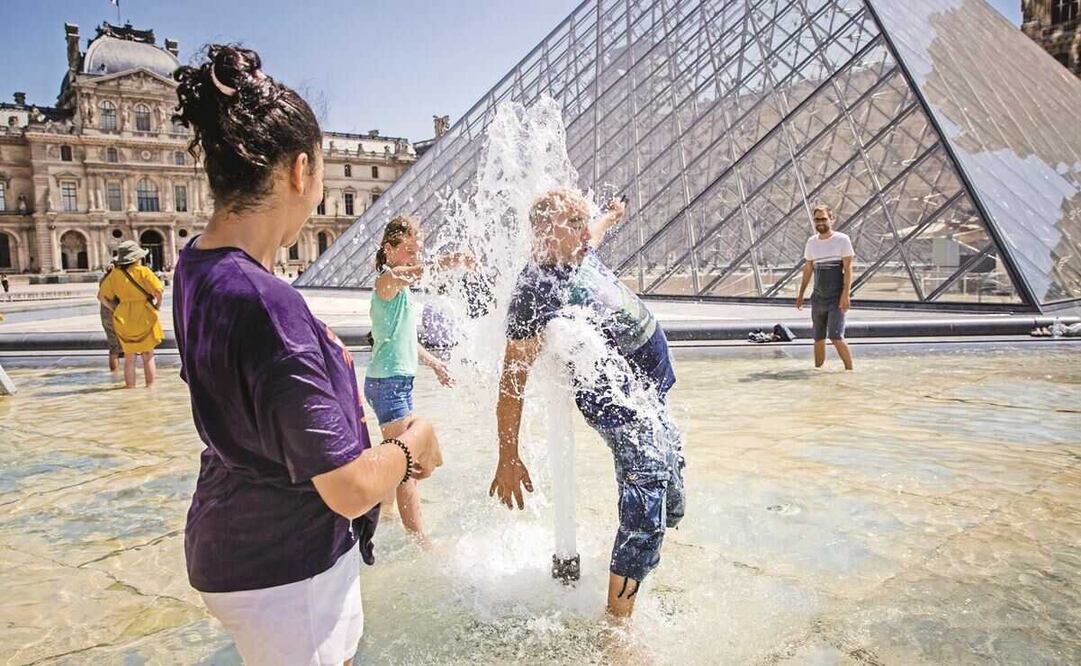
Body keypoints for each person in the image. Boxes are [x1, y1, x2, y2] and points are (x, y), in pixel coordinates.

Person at [171, 45, 442, 665]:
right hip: (287, 569)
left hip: (230, 535)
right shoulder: (268, 306)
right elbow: (348, 490)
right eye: (320, 175)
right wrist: (413, 442)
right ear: (298, 171)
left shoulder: (197, 268)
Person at [490, 187, 685, 618]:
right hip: (620, 404)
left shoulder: (576, 250)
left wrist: (612, 215)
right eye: (574, 223)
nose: (584, 230)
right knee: (646, 498)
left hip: (651, 392)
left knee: (672, 501)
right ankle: (618, 625)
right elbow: (511, 381)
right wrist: (508, 455)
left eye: (584, 221)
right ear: (545, 232)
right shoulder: (532, 292)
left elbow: (594, 232)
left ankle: (637, 564)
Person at [365, 215, 471, 546]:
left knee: (398, 453)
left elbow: (406, 338)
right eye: (408, 249)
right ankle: (419, 540)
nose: (414, 256)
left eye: (417, 249)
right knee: (406, 463)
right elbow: (409, 274)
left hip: (395, 383)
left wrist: (435, 363)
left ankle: (385, 513)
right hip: (388, 385)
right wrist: (451, 261)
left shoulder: (401, 290)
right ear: (389, 249)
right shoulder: (386, 280)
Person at [97, 241, 164, 388]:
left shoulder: (114, 275)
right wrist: (157, 305)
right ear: (137, 258)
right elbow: (158, 291)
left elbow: (101, 296)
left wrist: (114, 308)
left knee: (129, 358)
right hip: (145, 313)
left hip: (123, 317)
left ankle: (130, 388)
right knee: (148, 356)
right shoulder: (143, 271)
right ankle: (150, 388)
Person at [796, 205, 854, 370]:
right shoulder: (811, 242)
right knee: (818, 337)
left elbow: (848, 268)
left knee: (836, 336)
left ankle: (849, 370)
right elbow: (808, 269)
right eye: (817, 219)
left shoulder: (842, 239)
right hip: (818, 297)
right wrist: (801, 295)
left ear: (831, 219)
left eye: (823, 219)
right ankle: (818, 370)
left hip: (836, 297)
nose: (820, 222)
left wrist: (846, 295)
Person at [98, 262, 123, 372]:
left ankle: (115, 372)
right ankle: (117, 372)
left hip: (105, 315)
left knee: (113, 345)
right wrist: (112, 308)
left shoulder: (104, 279)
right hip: (116, 314)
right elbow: (100, 296)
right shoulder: (115, 280)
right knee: (117, 347)